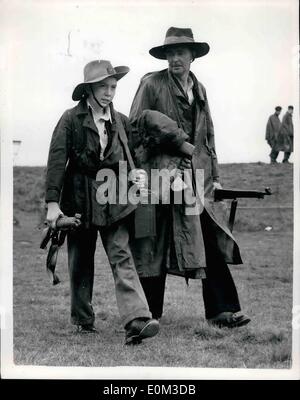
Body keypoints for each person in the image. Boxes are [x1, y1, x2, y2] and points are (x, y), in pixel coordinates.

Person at [129, 27, 251, 328]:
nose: (175, 59)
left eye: (181, 53)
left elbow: (207, 136)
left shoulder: (200, 89)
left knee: (208, 236)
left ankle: (222, 311)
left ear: (193, 56)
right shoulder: (151, 84)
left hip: (196, 181)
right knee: (152, 243)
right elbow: (134, 128)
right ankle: (148, 315)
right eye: (170, 54)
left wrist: (216, 176)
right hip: (157, 179)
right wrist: (150, 166)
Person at [45, 60, 159, 345]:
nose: (109, 92)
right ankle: (83, 320)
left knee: (121, 254)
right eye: (103, 87)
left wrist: (138, 173)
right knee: (81, 260)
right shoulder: (70, 119)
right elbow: (57, 162)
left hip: (114, 196)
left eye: (113, 87)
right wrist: (52, 204)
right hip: (80, 198)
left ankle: (136, 320)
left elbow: (132, 154)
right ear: (88, 90)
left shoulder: (120, 120)